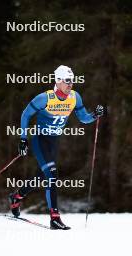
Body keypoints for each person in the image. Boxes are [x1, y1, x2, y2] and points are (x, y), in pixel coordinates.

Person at [9, 65, 104, 230]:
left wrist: (94, 115)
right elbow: (25, 114)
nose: (70, 84)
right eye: (67, 81)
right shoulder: (45, 98)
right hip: (40, 140)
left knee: (42, 176)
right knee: (52, 174)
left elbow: (83, 118)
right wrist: (23, 139)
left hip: (53, 142)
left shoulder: (75, 97)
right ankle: (55, 217)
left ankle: (17, 196)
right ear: (58, 81)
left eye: (72, 81)